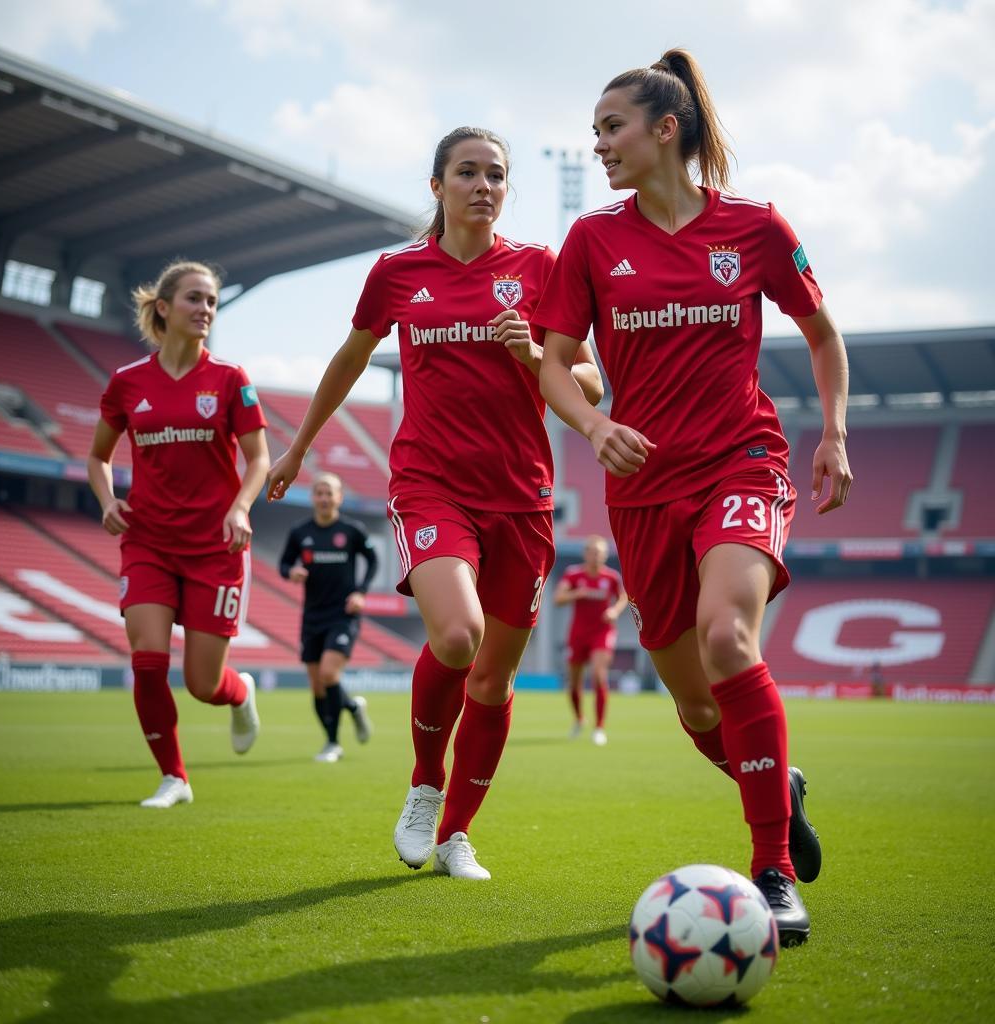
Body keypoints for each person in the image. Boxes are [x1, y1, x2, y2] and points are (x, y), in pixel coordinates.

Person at [535, 50, 852, 945]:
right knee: (698, 705)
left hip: (741, 461)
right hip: (641, 490)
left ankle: (774, 873)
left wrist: (831, 433)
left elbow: (822, 334)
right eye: (594, 132)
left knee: (727, 637)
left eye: (612, 127)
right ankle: (779, 788)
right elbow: (557, 368)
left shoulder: (753, 226)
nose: (599, 145)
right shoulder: (593, 241)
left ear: (664, 129)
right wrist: (596, 431)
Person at [267, 126, 603, 879]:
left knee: (493, 679)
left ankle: (456, 834)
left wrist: (531, 354)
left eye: (496, 175)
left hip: (523, 496)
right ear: (437, 186)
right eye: (467, 173)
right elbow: (351, 357)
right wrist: (296, 447)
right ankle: (425, 782)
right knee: (458, 638)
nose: (483, 185)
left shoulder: (539, 268)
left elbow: (589, 384)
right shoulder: (397, 273)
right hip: (430, 485)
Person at [88, 260, 270, 809]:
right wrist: (106, 500)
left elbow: (259, 459)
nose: (206, 310)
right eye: (194, 299)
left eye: (211, 301)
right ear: (163, 308)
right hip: (148, 541)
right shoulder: (127, 382)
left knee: (202, 685)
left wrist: (240, 508)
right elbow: (98, 456)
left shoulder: (230, 380)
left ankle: (240, 695)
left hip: (217, 547)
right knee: (147, 659)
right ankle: (174, 777)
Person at [279, 471, 378, 762]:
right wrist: (291, 572)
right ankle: (352, 708)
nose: (324, 498)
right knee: (317, 685)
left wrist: (360, 591)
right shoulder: (300, 532)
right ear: (313, 498)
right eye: (319, 493)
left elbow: (373, 559)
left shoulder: (351, 530)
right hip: (312, 616)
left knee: (329, 674)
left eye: (329, 493)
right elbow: (284, 563)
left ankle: (333, 743)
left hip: (343, 615)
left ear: (339, 498)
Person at [553, 535, 627, 744]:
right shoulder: (573, 575)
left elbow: (623, 598)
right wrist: (577, 593)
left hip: (603, 631)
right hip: (578, 633)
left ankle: (599, 728)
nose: (596, 556)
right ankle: (579, 719)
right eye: (593, 552)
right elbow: (558, 598)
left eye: (600, 553)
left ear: (605, 555)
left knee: (598, 674)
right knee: (574, 682)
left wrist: (614, 610)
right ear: (585, 554)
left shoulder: (612, 577)